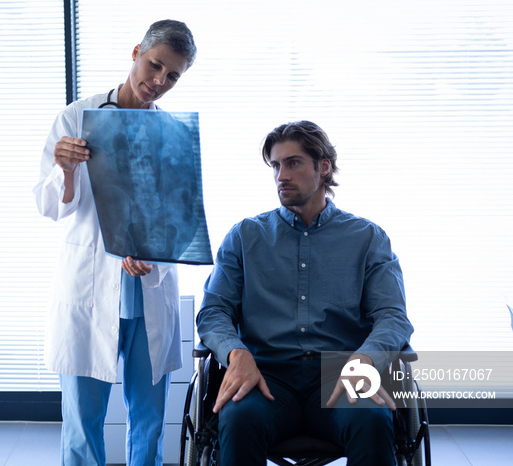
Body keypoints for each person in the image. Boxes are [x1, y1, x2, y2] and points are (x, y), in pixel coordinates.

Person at [196, 120, 414, 466]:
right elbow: (213, 312)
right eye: (275, 166)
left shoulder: (367, 238)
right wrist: (235, 353)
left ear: (323, 167)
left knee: (371, 420)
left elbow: (392, 317)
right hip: (265, 374)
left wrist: (368, 357)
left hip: (339, 373)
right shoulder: (244, 236)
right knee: (238, 419)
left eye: (293, 163)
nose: (281, 175)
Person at [32, 20, 196, 466]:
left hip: (149, 288)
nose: (159, 81)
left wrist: (154, 251)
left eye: (173, 76)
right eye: (154, 65)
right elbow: (50, 209)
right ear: (136, 52)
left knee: (149, 420)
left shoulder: (176, 136)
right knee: (82, 423)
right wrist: (65, 169)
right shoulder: (76, 117)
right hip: (88, 287)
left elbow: (181, 217)